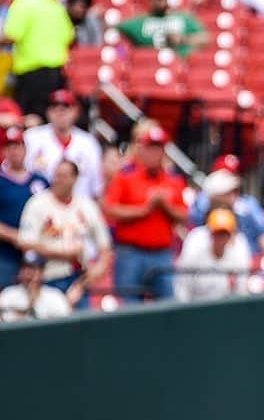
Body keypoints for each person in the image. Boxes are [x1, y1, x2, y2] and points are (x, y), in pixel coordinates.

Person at [102, 126, 187, 303]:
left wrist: (165, 206)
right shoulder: (125, 177)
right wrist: (144, 210)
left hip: (162, 252)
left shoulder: (174, 180)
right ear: (141, 149)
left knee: (167, 308)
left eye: (158, 148)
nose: (154, 153)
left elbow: (184, 215)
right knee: (129, 308)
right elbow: (110, 210)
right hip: (130, 251)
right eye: (150, 147)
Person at [18, 157, 112, 308]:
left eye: (63, 176)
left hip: (79, 279)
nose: (57, 180)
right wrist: (63, 253)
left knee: (82, 327)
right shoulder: (38, 203)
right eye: (56, 175)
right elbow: (25, 243)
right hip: (47, 277)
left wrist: (89, 278)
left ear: (74, 179)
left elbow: (105, 247)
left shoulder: (86, 205)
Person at [0, 0, 74, 122]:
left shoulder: (23, 1)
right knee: (49, 118)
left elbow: (11, 36)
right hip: (56, 71)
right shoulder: (52, 3)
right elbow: (69, 36)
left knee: (31, 120)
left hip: (32, 71)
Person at [24, 89, 104, 199]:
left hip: (78, 208)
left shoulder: (89, 143)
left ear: (75, 112)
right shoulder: (31, 137)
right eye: (55, 108)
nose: (60, 113)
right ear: (48, 112)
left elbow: (97, 187)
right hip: (42, 207)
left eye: (65, 108)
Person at [188, 162, 264, 257]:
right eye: (228, 193)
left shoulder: (248, 207)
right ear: (214, 197)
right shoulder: (199, 224)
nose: (234, 196)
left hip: (249, 264)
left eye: (234, 191)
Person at [0, 126, 49, 290]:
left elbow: (52, 211)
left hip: (39, 254)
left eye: (18, 146)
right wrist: (15, 237)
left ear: (25, 149)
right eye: (9, 147)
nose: (14, 151)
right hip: (6, 253)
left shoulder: (39, 180)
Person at [175, 207, 251, 302]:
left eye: (224, 233)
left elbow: (242, 290)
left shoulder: (239, 251)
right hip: (197, 307)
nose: (220, 238)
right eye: (217, 233)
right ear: (210, 233)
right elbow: (183, 287)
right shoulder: (195, 247)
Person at [117, 0, 209, 58]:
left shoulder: (183, 18)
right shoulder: (139, 21)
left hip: (178, 64)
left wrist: (183, 39)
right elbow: (116, 27)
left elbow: (205, 38)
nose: (158, 0)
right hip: (151, 64)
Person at [0, 249, 71, 321]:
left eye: (33, 269)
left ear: (42, 272)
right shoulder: (8, 294)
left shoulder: (55, 296)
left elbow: (65, 325)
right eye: (25, 268)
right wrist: (29, 304)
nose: (29, 274)